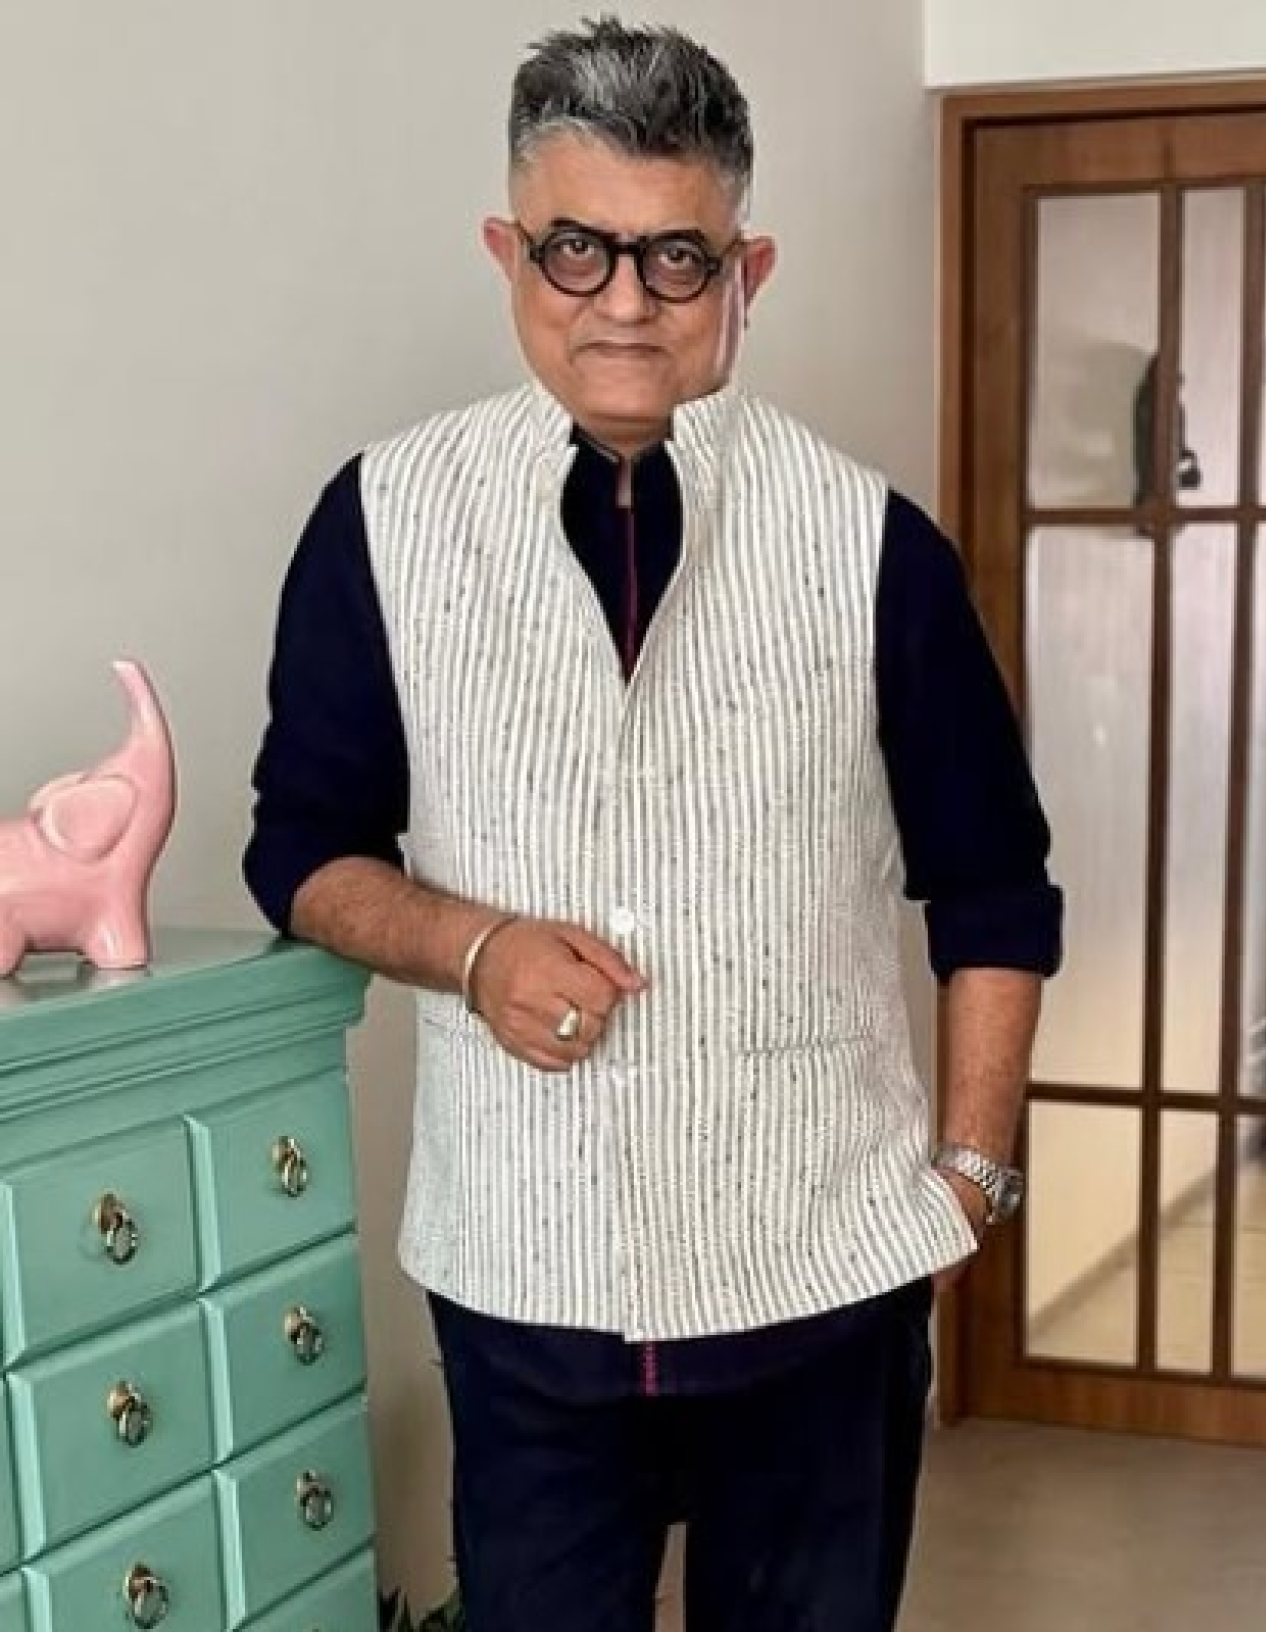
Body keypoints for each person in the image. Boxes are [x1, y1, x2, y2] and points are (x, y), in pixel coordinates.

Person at [244, 17, 1062, 1632]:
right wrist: (470, 947)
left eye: (676, 257)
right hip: (524, 1283)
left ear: (748, 270)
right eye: (578, 248)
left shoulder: (875, 548)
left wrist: (969, 1180)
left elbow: (993, 893)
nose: (624, 301)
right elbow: (299, 852)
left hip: (822, 1284)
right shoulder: (385, 522)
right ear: (508, 255)